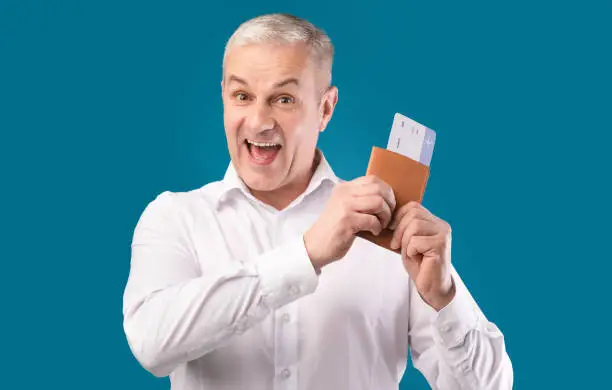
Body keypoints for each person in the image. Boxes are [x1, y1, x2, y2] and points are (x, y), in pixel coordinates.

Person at [122, 13, 513, 390]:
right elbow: (151, 345)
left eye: (284, 100)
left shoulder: (387, 226)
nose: (259, 121)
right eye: (242, 96)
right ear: (223, 97)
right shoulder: (175, 218)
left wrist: (445, 299)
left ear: (325, 108)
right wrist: (307, 255)